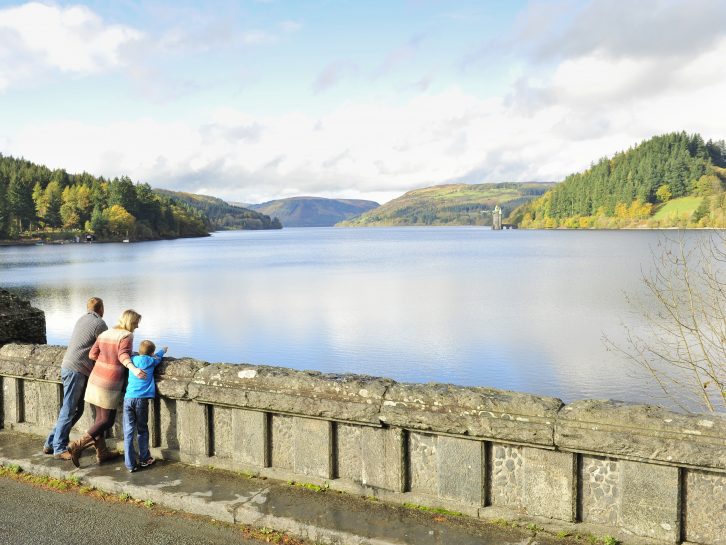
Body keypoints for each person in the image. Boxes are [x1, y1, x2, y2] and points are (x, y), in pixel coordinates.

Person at [67, 309, 147, 468]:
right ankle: (77, 445)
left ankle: (102, 453)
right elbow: (123, 356)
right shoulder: (126, 336)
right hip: (109, 382)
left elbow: (92, 354)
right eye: (136, 323)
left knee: (99, 419)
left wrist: (105, 361)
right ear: (130, 322)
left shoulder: (105, 333)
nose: (137, 326)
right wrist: (134, 369)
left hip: (96, 378)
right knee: (106, 420)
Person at [43, 297, 107, 460]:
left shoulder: (81, 319)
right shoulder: (99, 323)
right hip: (77, 369)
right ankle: (59, 448)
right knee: (69, 409)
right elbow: (106, 347)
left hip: (68, 366)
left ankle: (51, 443)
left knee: (76, 410)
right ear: (100, 309)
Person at [123, 340, 167, 472]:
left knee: (128, 431)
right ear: (151, 353)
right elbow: (158, 357)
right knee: (142, 429)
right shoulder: (151, 361)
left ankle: (130, 464)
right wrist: (163, 350)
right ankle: (144, 459)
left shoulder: (132, 360)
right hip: (141, 400)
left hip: (128, 398)